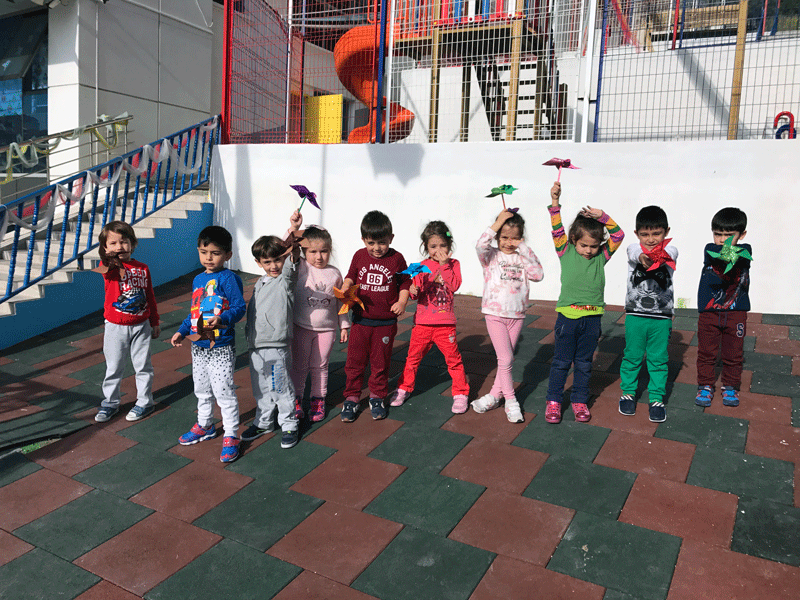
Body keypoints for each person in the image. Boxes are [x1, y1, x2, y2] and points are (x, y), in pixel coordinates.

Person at [545, 181, 624, 424]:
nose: (588, 250)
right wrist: (555, 201)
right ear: (573, 240)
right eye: (583, 245)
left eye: (593, 246)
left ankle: (579, 399)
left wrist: (603, 217)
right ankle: (554, 400)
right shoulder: (565, 250)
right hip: (567, 319)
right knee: (561, 362)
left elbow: (618, 235)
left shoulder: (602, 256)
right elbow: (556, 227)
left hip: (592, 319)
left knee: (584, 364)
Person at [171, 226, 246, 463]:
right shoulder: (198, 279)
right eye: (204, 252)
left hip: (221, 346)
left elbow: (239, 308)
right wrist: (182, 330)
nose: (209, 258)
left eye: (215, 253)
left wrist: (222, 318)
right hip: (199, 345)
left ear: (228, 255)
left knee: (224, 391)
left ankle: (231, 434)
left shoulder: (229, 278)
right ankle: (205, 424)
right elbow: (194, 311)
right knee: (201, 388)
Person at [388, 221, 470, 413]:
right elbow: (415, 293)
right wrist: (413, 290)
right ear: (426, 246)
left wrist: (444, 265)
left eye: (442, 246)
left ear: (449, 246)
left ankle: (460, 393)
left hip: (445, 324)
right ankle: (404, 388)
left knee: (453, 360)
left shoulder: (454, 264)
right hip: (422, 324)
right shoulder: (420, 267)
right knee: (412, 359)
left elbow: (454, 285)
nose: (438, 250)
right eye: (433, 246)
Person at [472, 209, 544, 423]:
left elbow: (538, 275)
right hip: (495, 313)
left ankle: (494, 395)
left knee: (506, 361)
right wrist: (498, 223)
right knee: (506, 359)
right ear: (497, 237)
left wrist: (524, 248)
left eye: (514, 238)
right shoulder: (491, 256)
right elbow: (480, 245)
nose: (508, 242)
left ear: (521, 238)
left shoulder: (522, 257)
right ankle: (511, 401)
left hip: (517, 314)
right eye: (504, 237)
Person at [340, 210, 411, 422]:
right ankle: (352, 397)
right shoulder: (359, 255)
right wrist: (345, 287)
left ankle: (377, 396)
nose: (377, 248)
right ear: (363, 240)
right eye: (371, 243)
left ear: (391, 238)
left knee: (380, 362)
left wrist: (402, 302)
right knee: (355, 361)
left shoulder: (397, 258)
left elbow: (405, 282)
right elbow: (351, 276)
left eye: (382, 242)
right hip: (360, 320)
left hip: (386, 322)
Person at [241, 211, 304, 448]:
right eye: (267, 262)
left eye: (277, 260)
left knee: (280, 387)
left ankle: (289, 424)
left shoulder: (285, 281)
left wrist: (293, 229)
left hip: (276, 346)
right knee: (262, 388)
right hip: (256, 346)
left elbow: (292, 260)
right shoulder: (260, 282)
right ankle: (264, 422)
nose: (273, 265)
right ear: (258, 263)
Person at [95, 221, 160, 423]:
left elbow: (149, 295)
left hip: (141, 325)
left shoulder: (142, 268)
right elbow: (105, 266)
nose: (119, 247)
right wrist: (108, 257)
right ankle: (110, 402)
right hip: (115, 327)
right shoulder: (110, 268)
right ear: (105, 248)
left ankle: (145, 402)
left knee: (143, 366)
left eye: (123, 242)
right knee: (114, 367)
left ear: (132, 243)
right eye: (113, 243)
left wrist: (154, 321)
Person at [619, 206, 678, 422]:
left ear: (666, 232)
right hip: (635, 315)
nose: (651, 239)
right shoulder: (634, 250)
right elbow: (633, 251)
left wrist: (656, 257)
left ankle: (656, 397)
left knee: (658, 359)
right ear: (637, 234)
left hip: (661, 318)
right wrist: (643, 256)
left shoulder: (671, 251)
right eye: (645, 234)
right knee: (632, 356)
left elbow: (669, 254)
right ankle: (628, 392)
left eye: (656, 233)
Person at [288, 223, 349, 423]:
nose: (319, 256)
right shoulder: (301, 267)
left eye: (324, 251)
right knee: (299, 366)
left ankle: (318, 400)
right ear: (304, 251)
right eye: (312, 251)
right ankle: (296, 399)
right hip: (301, 327)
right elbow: (286, 249)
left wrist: (344, 325)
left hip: (327, 329)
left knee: (320, 366)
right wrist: (293, 228)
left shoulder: (335, 273)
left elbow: (341, 301)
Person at [695, 207, 751, 408]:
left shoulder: (746, 251)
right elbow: (721, 255)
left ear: (742, 235)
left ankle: (730, 386)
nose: (722, 240)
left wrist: (732, 251)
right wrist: (727, 247)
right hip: (709, 312)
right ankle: (705, 385)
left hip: (736, 313)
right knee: (706, 353)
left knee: (734, 354)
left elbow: (735, 256)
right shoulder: (709, 249)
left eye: (729, 236)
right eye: (718, 234)